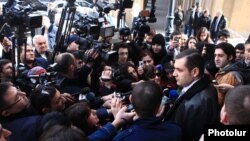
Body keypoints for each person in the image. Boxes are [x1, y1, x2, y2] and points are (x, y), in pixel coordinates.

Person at [164, 49, 219, 141]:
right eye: (174, 69)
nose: (174, 74)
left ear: (194, 72)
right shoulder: (206, 87)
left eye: (179, 70)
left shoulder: (197, 104)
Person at [113, 81, 182, 141]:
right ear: (160, 106)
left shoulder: (122, 137)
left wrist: (118, 122)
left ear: (130, 99)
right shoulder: (175, 131)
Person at [214, 42, 243, 107]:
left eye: (220, 56)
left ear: (230, 57)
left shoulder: (230, 75)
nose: (216, 59)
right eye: (215, 55)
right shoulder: (223, 71)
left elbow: (219, 102)